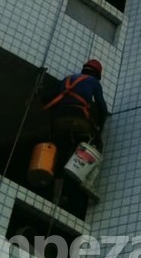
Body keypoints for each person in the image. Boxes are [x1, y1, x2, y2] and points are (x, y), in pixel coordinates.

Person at [42, 59, 109, 213]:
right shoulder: (93, 83)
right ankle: (85, 183)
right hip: (79, 120)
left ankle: (56, 196)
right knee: (93, 147)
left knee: (63, 153)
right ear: (97, 75)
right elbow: (102, 107)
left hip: (59, 121)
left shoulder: (66, 80)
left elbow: (50, 97)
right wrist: (100, 126)